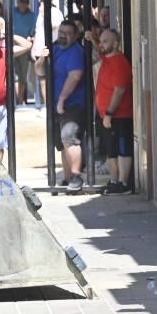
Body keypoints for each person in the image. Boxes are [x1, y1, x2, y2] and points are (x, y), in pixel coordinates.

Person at [45, 19, 90, 192]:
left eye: (67, 33)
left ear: (75, 35)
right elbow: (41, 71)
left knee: (69, 138)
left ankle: (76, 176)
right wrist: (42, 58)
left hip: (73, 104)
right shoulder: (55, 49)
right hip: (58, 104)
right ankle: (67, 177)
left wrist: (62, 99)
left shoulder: (76, 52)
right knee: (62, 143)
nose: (63, 36)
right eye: (61, 32)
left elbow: (75, 76)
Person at [96, 27, 133, 193]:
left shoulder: (119, 62)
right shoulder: (106, 58)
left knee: (122, 150)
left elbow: (119, 90)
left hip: (119, 115)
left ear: (116, 44)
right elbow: (99, 48)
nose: (101, 44)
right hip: (106, 116)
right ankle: (114, 181)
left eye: (105, 41)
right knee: (111, 151)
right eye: (101, 41)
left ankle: (123, 183)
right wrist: (93, 38)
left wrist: (109, 114)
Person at [11, 0, 39, 104]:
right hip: (12, 46)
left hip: (24, 49)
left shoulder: (32, 16)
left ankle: (20, 100)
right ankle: (15, 100)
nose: (23, 4)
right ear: (17, 2)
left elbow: (33, 31)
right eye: (21, 1)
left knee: (22, 75)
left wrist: (31, 38)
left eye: (25, 2)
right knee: (13, 75)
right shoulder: (12, 13)